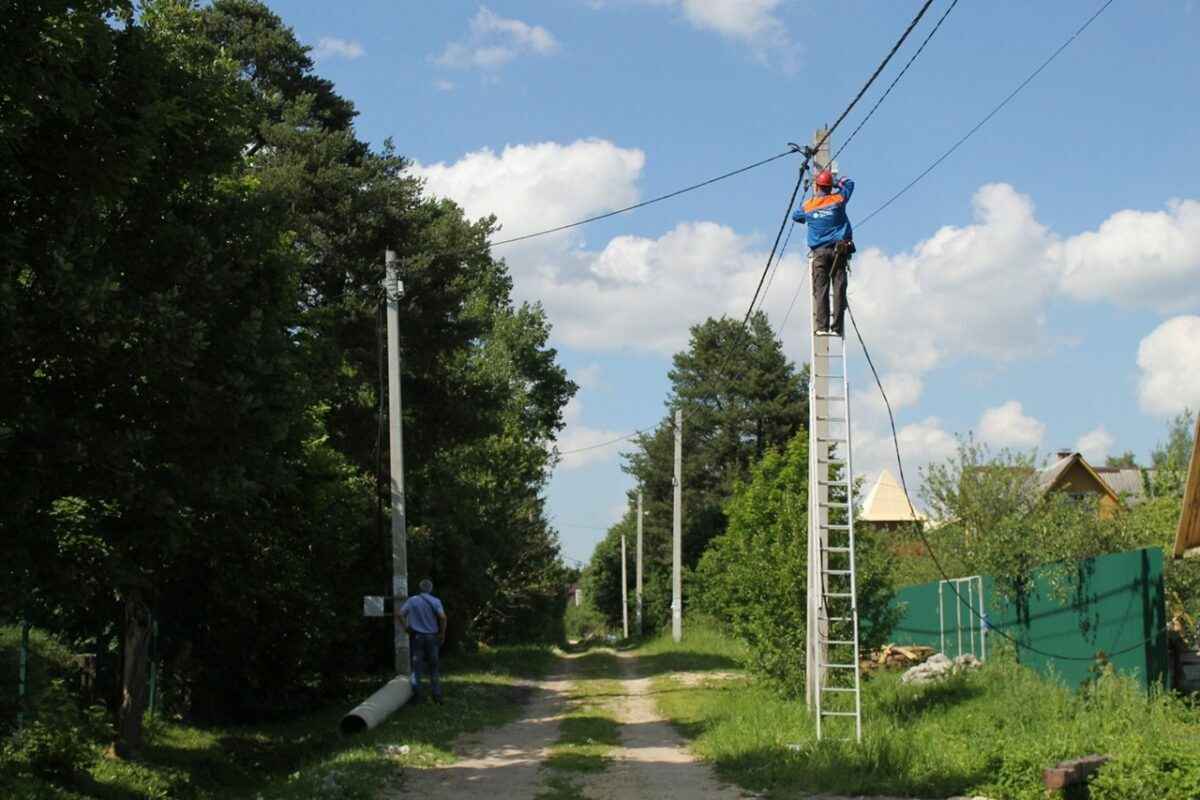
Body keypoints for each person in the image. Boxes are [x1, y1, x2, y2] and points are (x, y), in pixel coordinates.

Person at [792, 169, 855, 337]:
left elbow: (796, 216)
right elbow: (849, 184)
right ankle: (837, 327)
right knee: (839, 288)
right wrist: (836, 182)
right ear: (829, 187)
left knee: (821, 289)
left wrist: (813, 209)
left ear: (817, 186)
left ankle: (822, 326)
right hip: (839, 251)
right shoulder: (838, 199)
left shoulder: (809, 206)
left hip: (819, 253)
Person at [397, 578, 447, 704]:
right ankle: (437, 696)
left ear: (420, 588)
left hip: (417, 637)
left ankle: (417, 697)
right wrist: (442, 633)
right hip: (432, 637)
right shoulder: (435, 601)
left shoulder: (412, 600)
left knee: (416, 668)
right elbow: (442, 617)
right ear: (431, 588)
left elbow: (400, 614)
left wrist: (406, 628)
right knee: (433, 667)